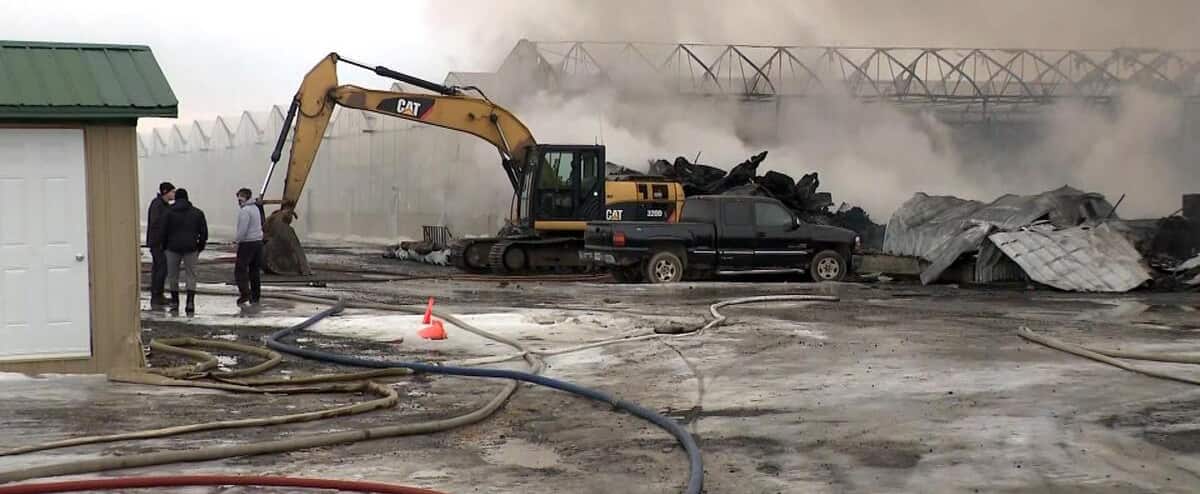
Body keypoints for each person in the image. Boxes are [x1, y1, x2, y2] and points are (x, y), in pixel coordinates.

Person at [158, 188, 208, 315]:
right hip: (191, 248)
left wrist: (164, 246)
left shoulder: (168, 212)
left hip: (172, 248)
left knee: (173, 276)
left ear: (176, 198)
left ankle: (175, 302)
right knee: (191, 275)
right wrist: (199, 247)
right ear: (187, 197)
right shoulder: (197, 213)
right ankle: (190, 302)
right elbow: (204, 233)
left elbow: (163, 232)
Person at [146, 182, 175, 309]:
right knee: (161, 268)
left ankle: (157, 293)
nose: (173, 194)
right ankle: (157, 295)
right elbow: (156, 223)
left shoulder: (164, 205)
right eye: (172, 191)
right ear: (165, 192)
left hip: (161, 242)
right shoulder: (157, 205)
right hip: (158, 242)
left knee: (159, 268)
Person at [234, 188, 264, 307]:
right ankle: (255, 297)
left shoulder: (245, 211)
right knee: (254, 270)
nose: (238, 200)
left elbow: (242, 229)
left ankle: (245, 294)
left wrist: (237, 241)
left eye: (239, 197)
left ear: (243, 197)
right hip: (258, 242)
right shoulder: (255, 208)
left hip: (247, 243)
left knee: (240, 270)